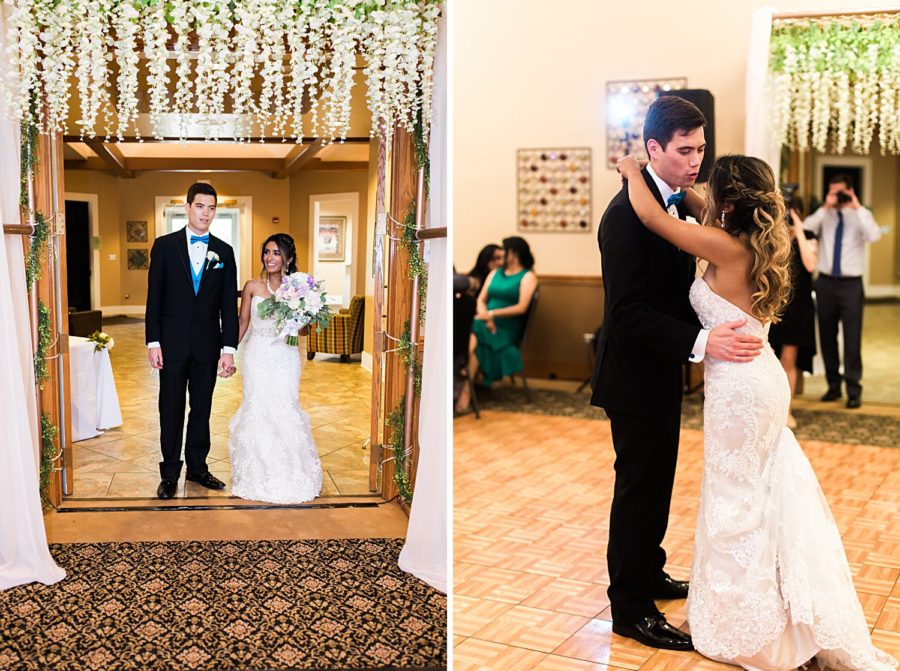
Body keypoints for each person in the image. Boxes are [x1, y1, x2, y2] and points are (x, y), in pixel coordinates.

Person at [618, 152, 897, 671]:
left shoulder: (721, 245)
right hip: (759, 378)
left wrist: (635, 172)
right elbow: (700, 205)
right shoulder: (762, 240)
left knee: (738, 497)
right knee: (760, 492)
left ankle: (753, 626)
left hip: (740, 389)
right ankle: (779, 611)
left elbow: (654, 219)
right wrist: (699, 193)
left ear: (727, 202)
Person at [590, 96, 762, 652]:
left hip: (663, 371)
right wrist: (702, 340)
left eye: (701, 149)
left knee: (659, 480)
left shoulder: (678, 208)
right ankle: (630, 607)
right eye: (685, 150)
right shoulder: (624, 220)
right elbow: (626, 312)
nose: (696, 161)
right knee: (638, 488)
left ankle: (651, 570)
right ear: (653, 149)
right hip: (633, 376)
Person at [146, 182, 238, 499]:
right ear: (187, 207)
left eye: (212, 208)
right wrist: (152, 341)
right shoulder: (164, 246)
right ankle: (170, 472)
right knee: (170, 408)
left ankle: (198, 468)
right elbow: (153, 299)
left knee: (202, 408)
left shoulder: (224, 252)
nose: (206, 213)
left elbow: (229, 304)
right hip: (170, 345)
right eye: (200, 206)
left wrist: (228, 349)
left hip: (207, 345)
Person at [228, 234, 323, 504]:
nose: (270, 258)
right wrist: (227, 353)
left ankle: (291, 473)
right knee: (257, 407)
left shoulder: (299, 288)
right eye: (267, 252)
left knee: (285, 407)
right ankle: (256, 475)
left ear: (288, 259)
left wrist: (302, 312)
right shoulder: (251, 287)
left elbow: (304, 331)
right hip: (257, 354)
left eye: (276, 253)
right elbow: (243, 322)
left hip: (285, 355)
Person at [803, 174, 882, 408]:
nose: (837, 196)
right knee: (826, 336)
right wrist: (825, 206)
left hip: (851, 285)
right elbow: (805, 229)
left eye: (840, 192)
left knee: (851, 338)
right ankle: (833, 386)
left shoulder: (859, 216)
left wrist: (857, 207)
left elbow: (874, 235)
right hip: (825, 282)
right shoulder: (824, 216)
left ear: (850, 191)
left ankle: (854, 389)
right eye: (832, 191)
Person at [454, 236, 537, 414]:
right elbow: (481, 299)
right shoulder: (495, 273)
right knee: (474, 337)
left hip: (506, 329)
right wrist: (486, 316)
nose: (501, 255)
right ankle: (465, 389)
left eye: (504, 251)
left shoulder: (528, 276)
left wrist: (492, 314)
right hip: (485, 322)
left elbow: (522, 307)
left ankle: (460, 375)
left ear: (514, 253)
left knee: (471, 332)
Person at [769, 199, 817, 429]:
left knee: (789, 359)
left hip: (799, 308)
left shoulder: (808, 235)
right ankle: (771, 409)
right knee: (770, 360)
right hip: (774, 305)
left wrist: (798, 227)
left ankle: (787, 411)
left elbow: (810, 264)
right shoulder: (772, 236)